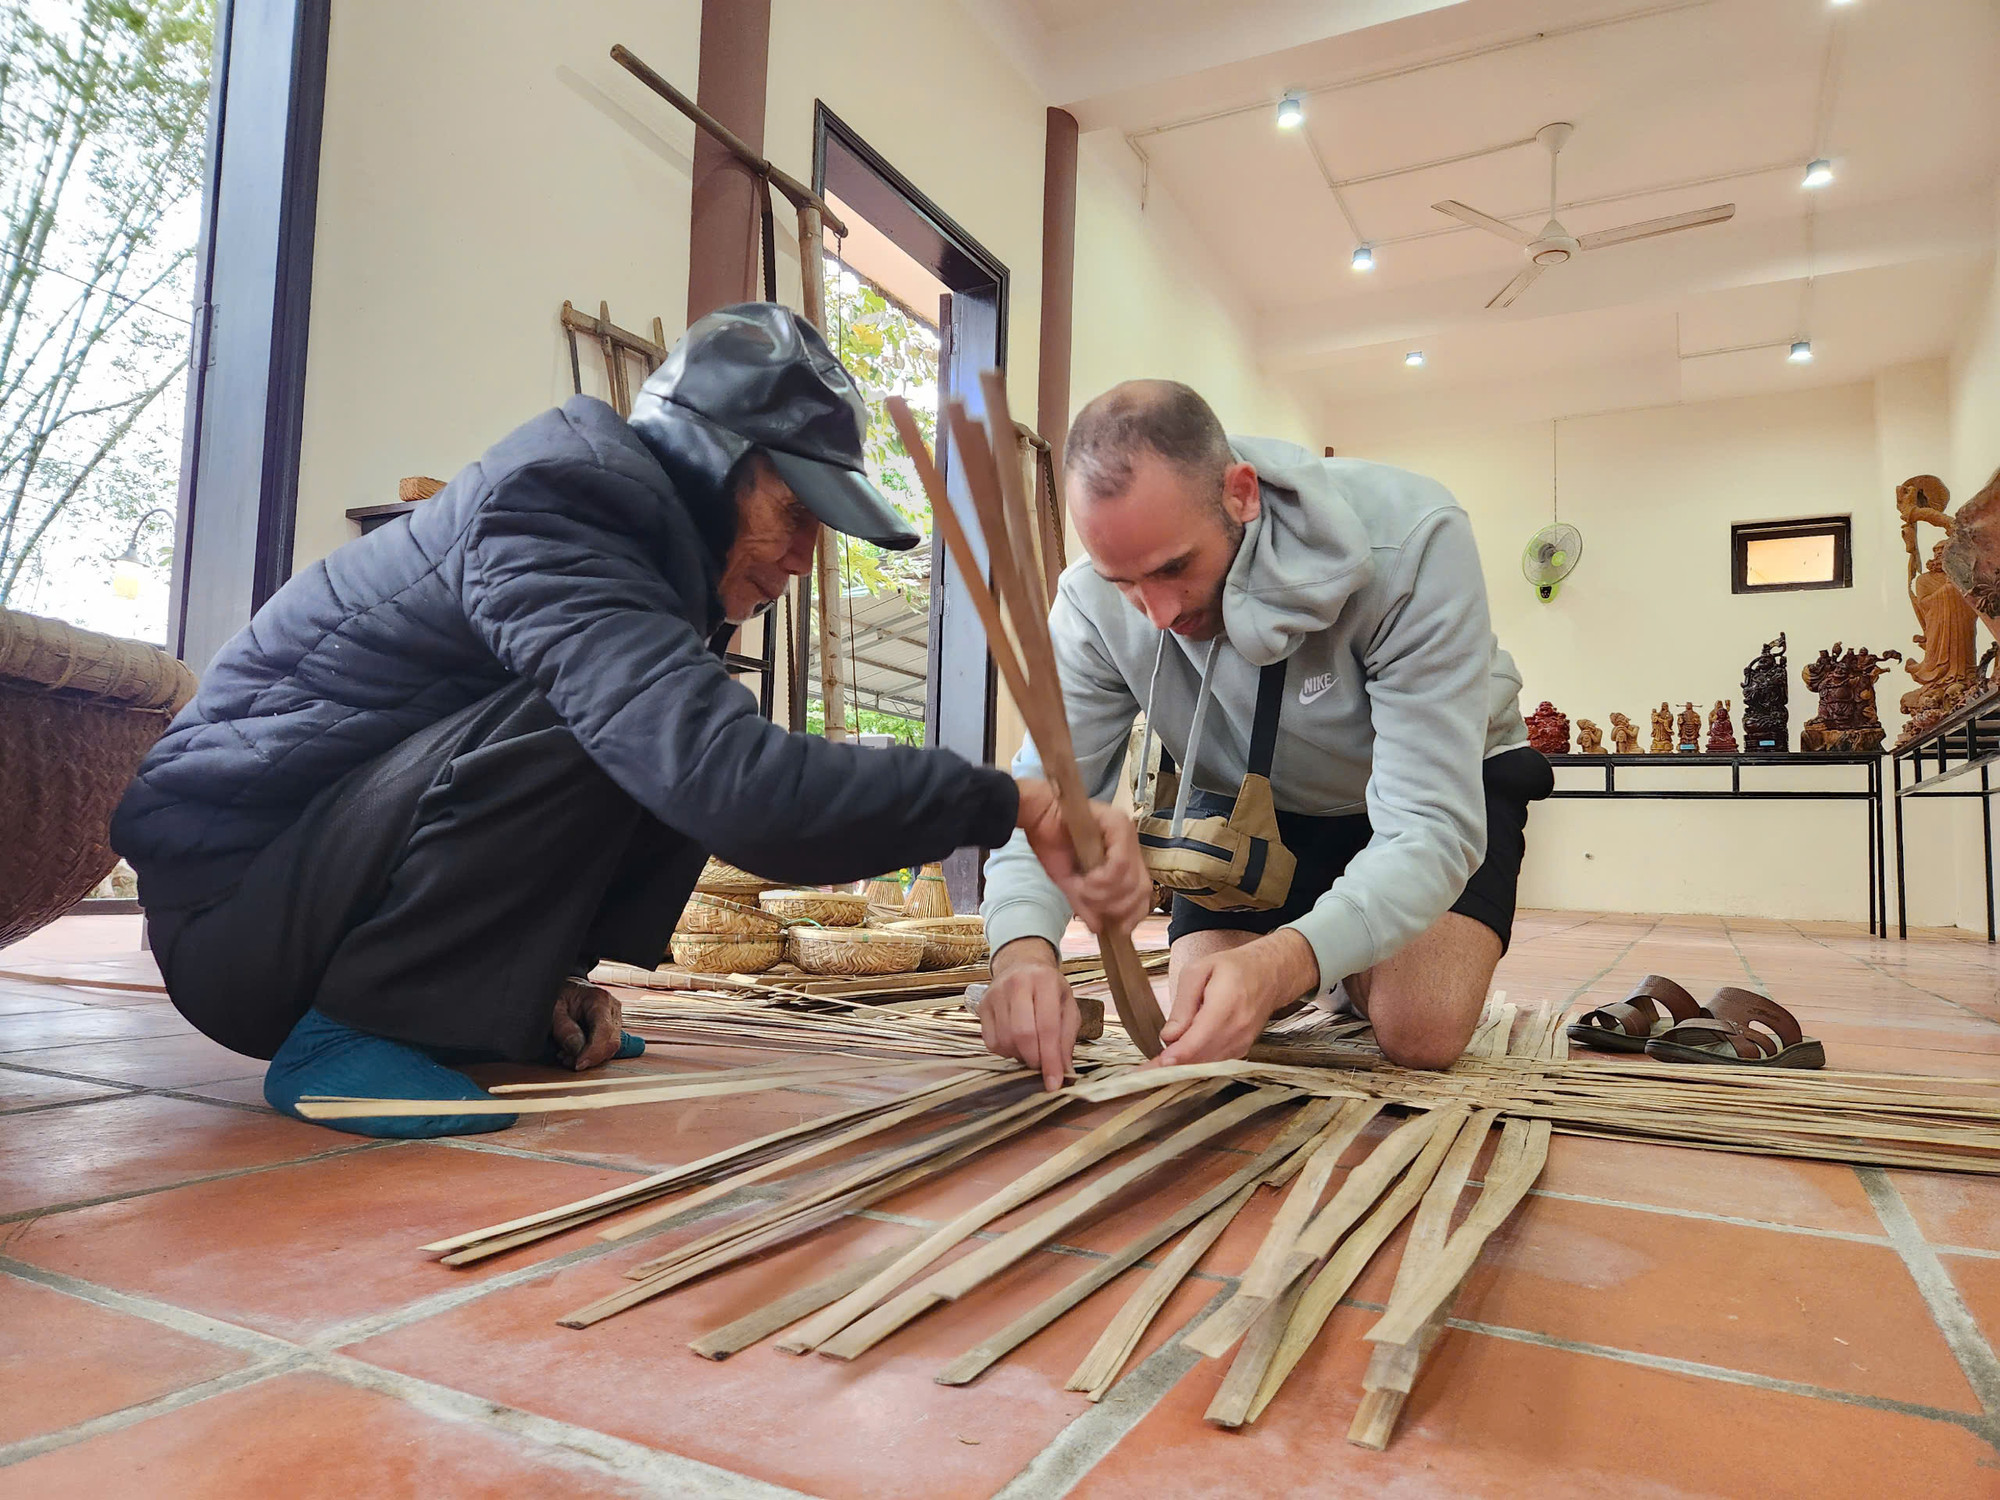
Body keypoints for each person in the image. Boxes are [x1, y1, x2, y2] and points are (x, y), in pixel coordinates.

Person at [111, 304, 1150, 1138]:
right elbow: (735, 792)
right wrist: (1006, 801)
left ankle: (511, 997)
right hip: (234, 916)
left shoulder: (623, 562)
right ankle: (355, 1034)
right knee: (662, 738)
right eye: (794, 514)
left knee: (673, 719)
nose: (802, 561)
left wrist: (539, 982)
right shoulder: (559, 508)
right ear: (711, 461)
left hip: (298, 887)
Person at [978, 380, 1549, 1082]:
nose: (1154, 612)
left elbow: (1428, 823)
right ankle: (1343, 946)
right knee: (1200, 1009)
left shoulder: (1415, 539)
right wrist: (1023, 953)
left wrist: (1284, 962)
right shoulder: (1091, 605)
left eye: (1175, 568)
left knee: (1420, 1029)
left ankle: (1343, 958)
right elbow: (1044, 798)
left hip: (1436, 788)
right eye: (1122, 580)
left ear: (1240, 493)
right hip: (1252, 800)